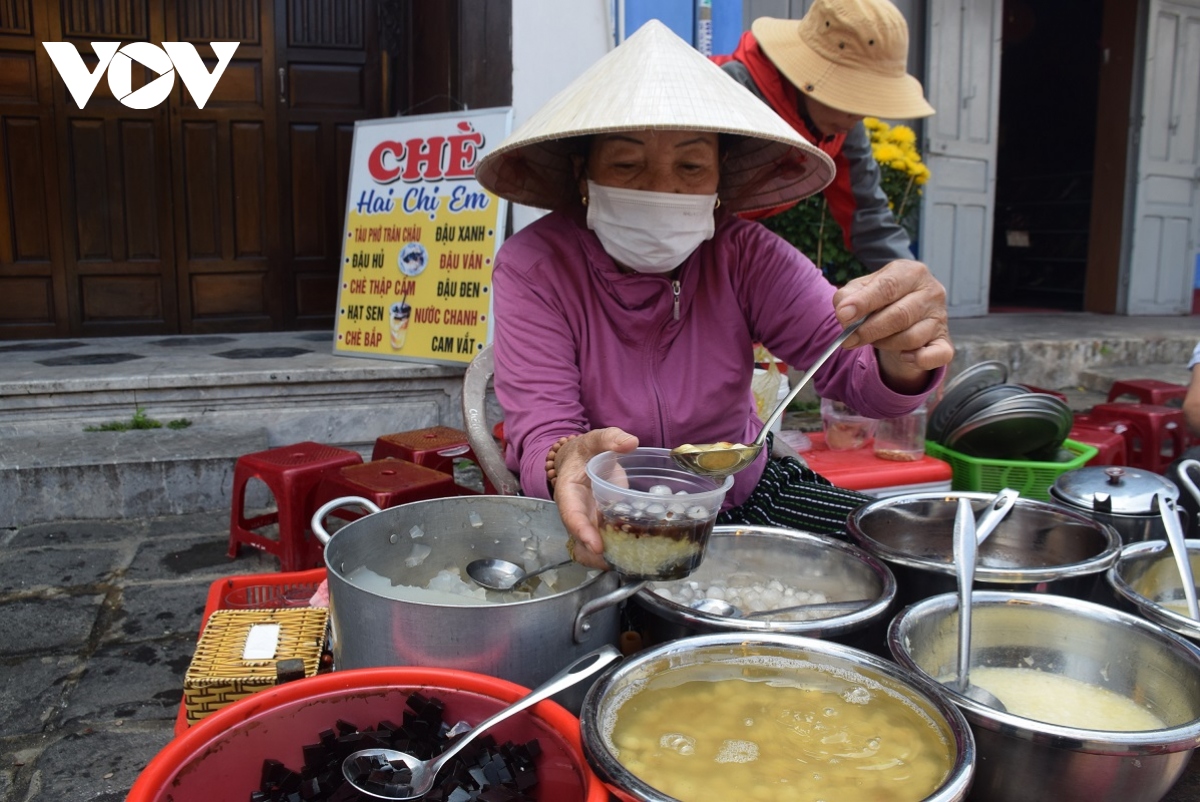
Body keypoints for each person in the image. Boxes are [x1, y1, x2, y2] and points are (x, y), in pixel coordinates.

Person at [474, 20, 952, 568]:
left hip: (745, 492)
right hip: (606, 509)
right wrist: (568, 461)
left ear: (719, 181)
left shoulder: (745, 254)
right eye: (627, 164)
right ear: (584, 174)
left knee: (901, 564)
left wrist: (902, 355)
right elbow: (545, 431)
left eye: (691, 165)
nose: (662, 188)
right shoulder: (535, 265)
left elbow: (849, 367)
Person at [712, 0, 934, 270]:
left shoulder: (842, 124)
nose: (860, 116)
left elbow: (867, 215)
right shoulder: (730, 90)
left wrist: (910, 281)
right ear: (807, 74)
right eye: (853, 96)